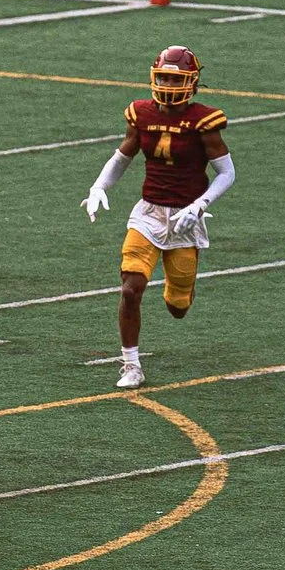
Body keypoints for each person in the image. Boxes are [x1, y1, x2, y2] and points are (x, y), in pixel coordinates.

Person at [81, 45, 234, 390]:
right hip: (148, 213)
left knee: (178, 306)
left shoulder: (204, 121)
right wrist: (98, 187)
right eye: (163, 76)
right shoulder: (141, 113)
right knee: (131, 288)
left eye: (175, 78)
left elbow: (227, 172)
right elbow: (123, 156)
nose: (167, 83)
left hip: (186, 217)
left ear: (192, 83)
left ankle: (180, 289)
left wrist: (200, 205)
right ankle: (131, 365)